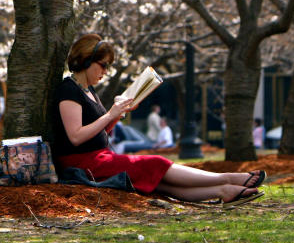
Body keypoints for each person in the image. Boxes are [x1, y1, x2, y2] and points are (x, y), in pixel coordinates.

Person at [53, 34, 265, 205]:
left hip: (100, 157)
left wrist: (118, 114)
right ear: (87, 60)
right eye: (103, 65)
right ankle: (226, 178)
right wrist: (110, 113)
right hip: (84, 165)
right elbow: (76, 136)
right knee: (156, 162)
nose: (105, 72)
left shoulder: (88, 90)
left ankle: (223, 191)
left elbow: (100, 134)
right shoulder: (69, 90)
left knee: (161, 184)